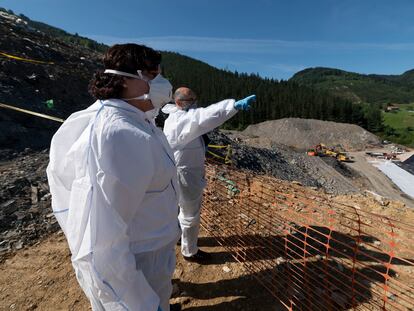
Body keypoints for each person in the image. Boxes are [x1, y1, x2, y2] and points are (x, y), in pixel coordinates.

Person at [47, 43, 181, 311]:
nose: (162, 82)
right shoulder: (117, 134)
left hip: (154, 248)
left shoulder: (138, 120)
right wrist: (138, 302)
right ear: (123, 79)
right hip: (137, 262)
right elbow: (102, 239)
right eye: (152, 75)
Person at [162, 87, 256, 262]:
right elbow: (209, 115)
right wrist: (234, 106)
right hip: (186, 174)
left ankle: (177, 237)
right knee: (190, 213)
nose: (195, 102)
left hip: (177, 170)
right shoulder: (185, 120)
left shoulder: (173, 116)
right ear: (179, 102)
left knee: (176, 207)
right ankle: (189, 251)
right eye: (191, 100)